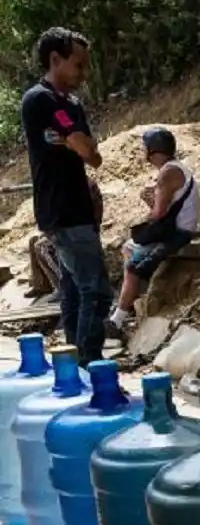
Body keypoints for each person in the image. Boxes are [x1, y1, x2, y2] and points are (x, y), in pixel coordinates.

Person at [20, 27, 109, 365]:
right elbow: (83, 146)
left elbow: (92, 154)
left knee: (74, 290)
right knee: (97, 292)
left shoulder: (71, 104)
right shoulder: (40, 99)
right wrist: (77, 143)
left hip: (80, 207)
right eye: (78, 65)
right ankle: (90, 364)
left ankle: (74, 364)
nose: (82, 74)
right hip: (61, 210)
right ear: (55, 60)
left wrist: (75, 142)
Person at [106, 127, 200, 333]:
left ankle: (118, 319)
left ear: (152, 150)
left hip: (177, 233)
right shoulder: (176, 168)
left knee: (133, 262)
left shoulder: (167, 173)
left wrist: (145, 216)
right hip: (180, 227)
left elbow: (158, 214)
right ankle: (126, 304)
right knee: (129, 247)